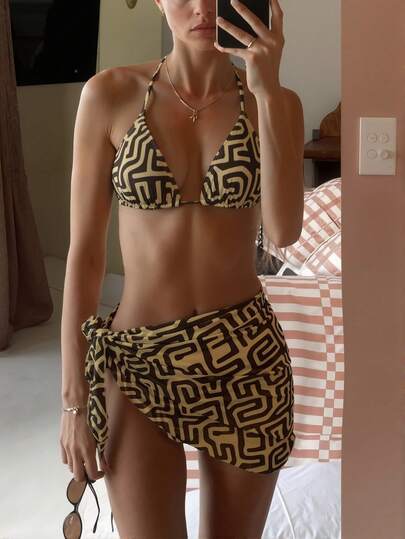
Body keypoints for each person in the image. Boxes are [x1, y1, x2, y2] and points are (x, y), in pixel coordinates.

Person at [59, 0, 304, 537]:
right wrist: (74, 401)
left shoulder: (276, 102)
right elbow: (85, 255)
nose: (201, 7)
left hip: (246, 361)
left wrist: (266, 91)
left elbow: (284, 231)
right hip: (138, 361)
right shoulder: (109, 94)